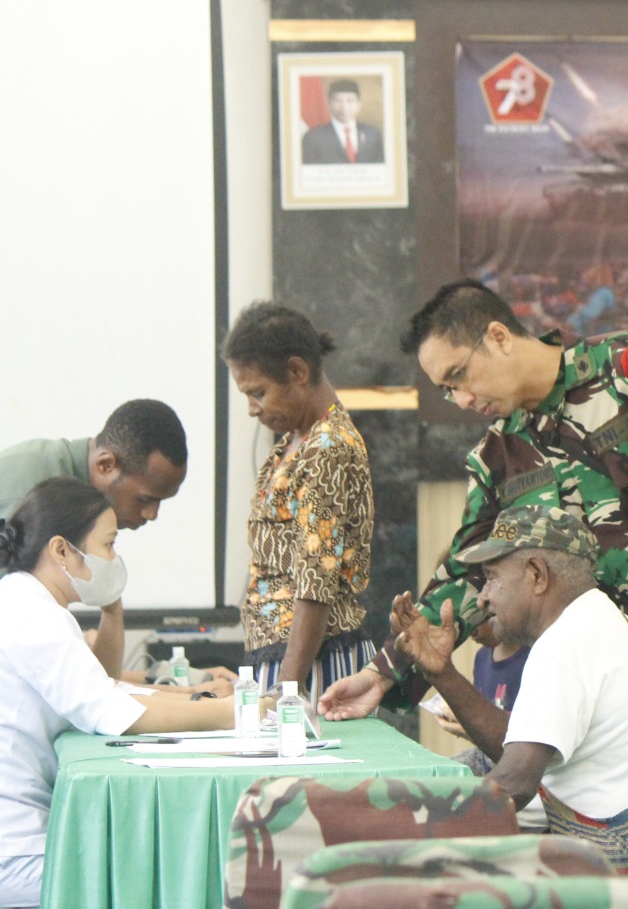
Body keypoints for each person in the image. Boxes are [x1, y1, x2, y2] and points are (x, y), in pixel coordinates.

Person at [318, 279, 628, 719]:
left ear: (499, 336)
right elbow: (467, 573)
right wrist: (382, 673)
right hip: (599, 692)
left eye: (460, 375)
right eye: (447, 391)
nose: (461, 399)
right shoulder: (499, 456)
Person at [392, 504, 628, 881]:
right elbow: (519, 747)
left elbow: (514, 783)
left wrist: (411, 829)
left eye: (492, 578)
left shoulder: (566, 644)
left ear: (536, 575)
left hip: (615, 884)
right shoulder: (598, 621)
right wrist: (442, 673)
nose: (483, 598)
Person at [0, 478, 240, 907]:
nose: (114, 559)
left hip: (22, 832)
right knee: (149, 882)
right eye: (108, 545)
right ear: (61, 551)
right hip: (15, 849)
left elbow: (104, 686)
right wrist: (228, 714)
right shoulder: (34, 615)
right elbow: (110, 710)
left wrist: (200, 698)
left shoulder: (26, 600)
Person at [221, 301, 374, 695]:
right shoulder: (295, 443)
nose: (252, 409)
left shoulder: (328, 448)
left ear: (297, 372)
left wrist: (287, 687)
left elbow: (316, 581)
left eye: (258, 393)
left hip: (311, 664)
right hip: (288, 658)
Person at [0, 400, 189, 682]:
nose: (152, 515)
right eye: (145, 499)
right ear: (105, 465)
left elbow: (86, 686)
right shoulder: (30, 499)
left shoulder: (76, 502)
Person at [431, 616, 529, 776]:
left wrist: (476, 732)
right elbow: (482, 756)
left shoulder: (534, 661)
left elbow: (526, 754)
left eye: (481, 616)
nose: (473, 631)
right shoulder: (481, 658)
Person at [301, 78, 384, 165]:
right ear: (329, 104)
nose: (344, 107)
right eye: (337, 101)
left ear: (358, 104)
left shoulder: (372, 134)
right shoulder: (313, 137)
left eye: (349, 101)